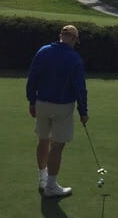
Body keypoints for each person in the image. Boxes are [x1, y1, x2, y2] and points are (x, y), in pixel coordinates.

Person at [27, 25, 88, 198]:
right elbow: (80, 89)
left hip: (41, 103)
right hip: (63, 107)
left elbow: (32, 78)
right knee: (57, 146)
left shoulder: (43, 51)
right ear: (74, 39)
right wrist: (83, 112)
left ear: (61, 35)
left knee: (43, 140)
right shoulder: (74, 58)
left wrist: (31, 101)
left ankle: (43, 179)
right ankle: (51, 186)